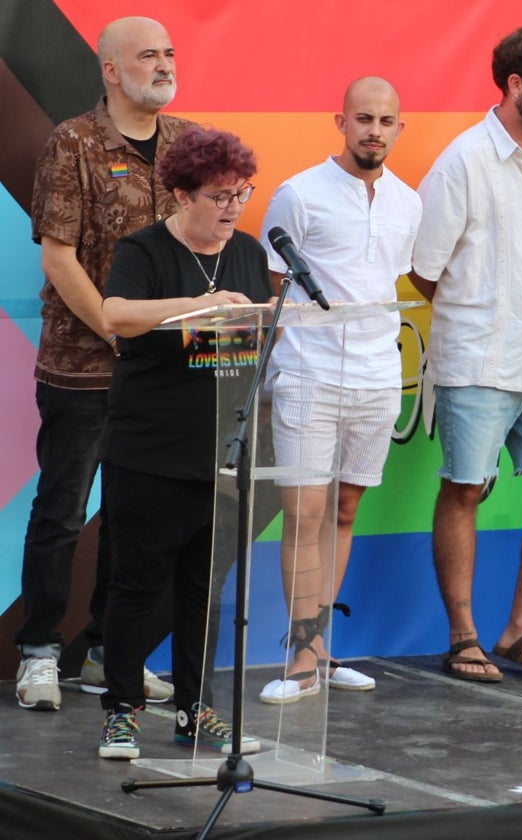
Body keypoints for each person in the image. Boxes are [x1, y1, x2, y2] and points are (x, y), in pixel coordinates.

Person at [408, 25, 522, 683]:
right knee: (466, 487)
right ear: (515, 83)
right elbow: (425, 269)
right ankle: (463, 637)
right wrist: (482, 310)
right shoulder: (463, 161)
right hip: (480, 355)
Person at [16, 15, 186, 712]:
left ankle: (107, 654)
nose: (166, 64)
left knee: (135, 517)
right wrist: (120, 334)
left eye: (171, 53)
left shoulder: (186, 145)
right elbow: (58, 257)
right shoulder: (73, 142)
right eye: (149, 55)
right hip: (84, 368)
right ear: (111, 70)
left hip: (163, 376)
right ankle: (38, 652)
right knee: (61, 512)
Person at [96, 127, 273, 759]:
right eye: (219, 195)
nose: (232, 207)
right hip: (149, 450)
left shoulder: (250, 253)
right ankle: (122, 710)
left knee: (205, 587)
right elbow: (116, 315)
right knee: (137, 584)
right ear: (180, 194)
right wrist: (199, 308)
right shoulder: (144, 250)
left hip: (222, 453)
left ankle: (195, 709)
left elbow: (253, 335)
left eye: (241, 194)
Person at [256, 77, 421, 704]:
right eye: (363, 118)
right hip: (307, 373)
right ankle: (300, 655)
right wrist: (268, 379)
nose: (374, 130)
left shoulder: (408, 203)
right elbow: (273, 289)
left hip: (379, 376)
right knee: (304, 512)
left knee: (346, 510)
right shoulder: (297, 194)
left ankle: (324, 651)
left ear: (399, 129)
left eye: (386, 120)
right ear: (341, 122)